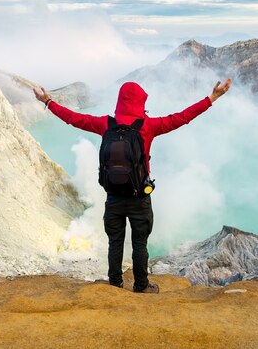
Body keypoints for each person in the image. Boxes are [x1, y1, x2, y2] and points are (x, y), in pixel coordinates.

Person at [34, 79, 232, 293]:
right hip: (139, 198)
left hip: (113, 198)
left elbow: (73, 119)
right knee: (140, 244)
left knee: (115, 242)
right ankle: (141, 286)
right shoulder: (148, 126)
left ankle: (115, 283)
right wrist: (212, 98)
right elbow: (182, 117)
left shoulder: (105, 124)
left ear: (120, 101)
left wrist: (49, 102)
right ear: (140, 102)